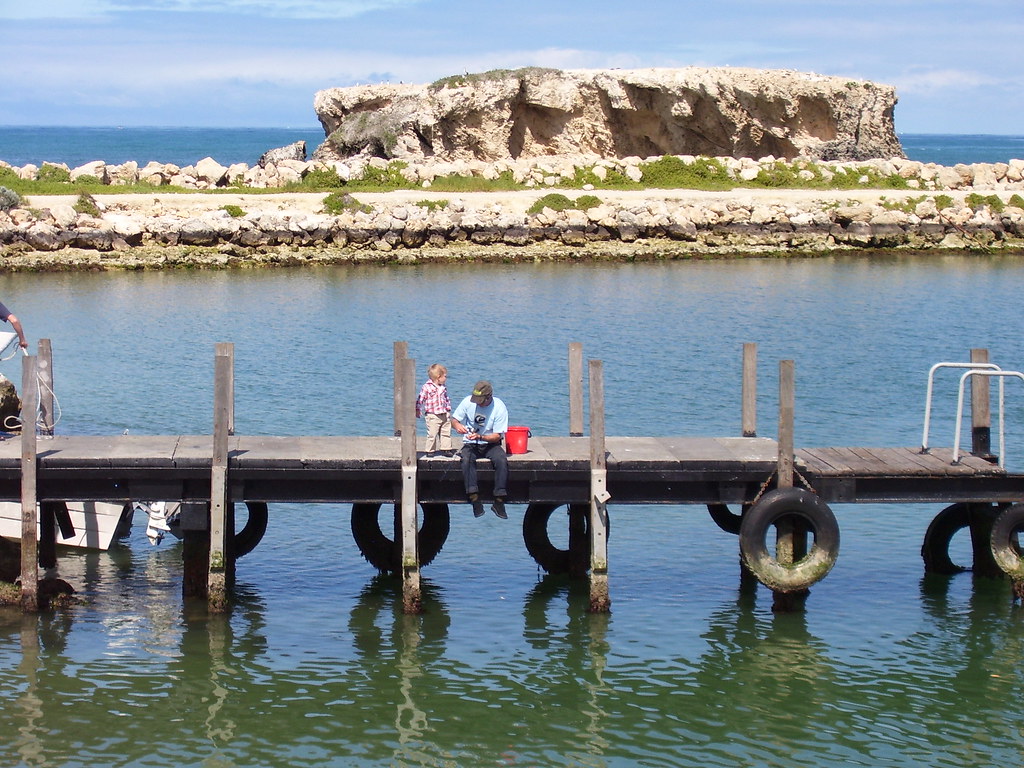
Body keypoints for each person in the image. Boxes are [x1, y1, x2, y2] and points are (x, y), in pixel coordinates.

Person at [451, 380, 509, 519]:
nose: (478, 403)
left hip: (490, 443)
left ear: (489, 397)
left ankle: (499, 500)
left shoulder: (499, 407)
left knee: (501, 460)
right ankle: (474, 498)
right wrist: (457, 426)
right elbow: (454, 419)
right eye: (476, 400)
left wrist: (481, 436)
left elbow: (497, 436)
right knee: (466, 459)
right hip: (471, 444)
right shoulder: (467, 402)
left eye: (481, 401)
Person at [415, 363, 454, 456]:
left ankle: (446, 448)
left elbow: (446, 398)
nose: (446, 378)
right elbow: (421, 399)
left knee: (446, 432)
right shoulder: (427, 387)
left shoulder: (443, 387)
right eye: (445, 376)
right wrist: (417, 409)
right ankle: (430, 450)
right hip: (433, 414)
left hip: (444, 413)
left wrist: (448, 409)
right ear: (438, 377)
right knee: (432, 433)